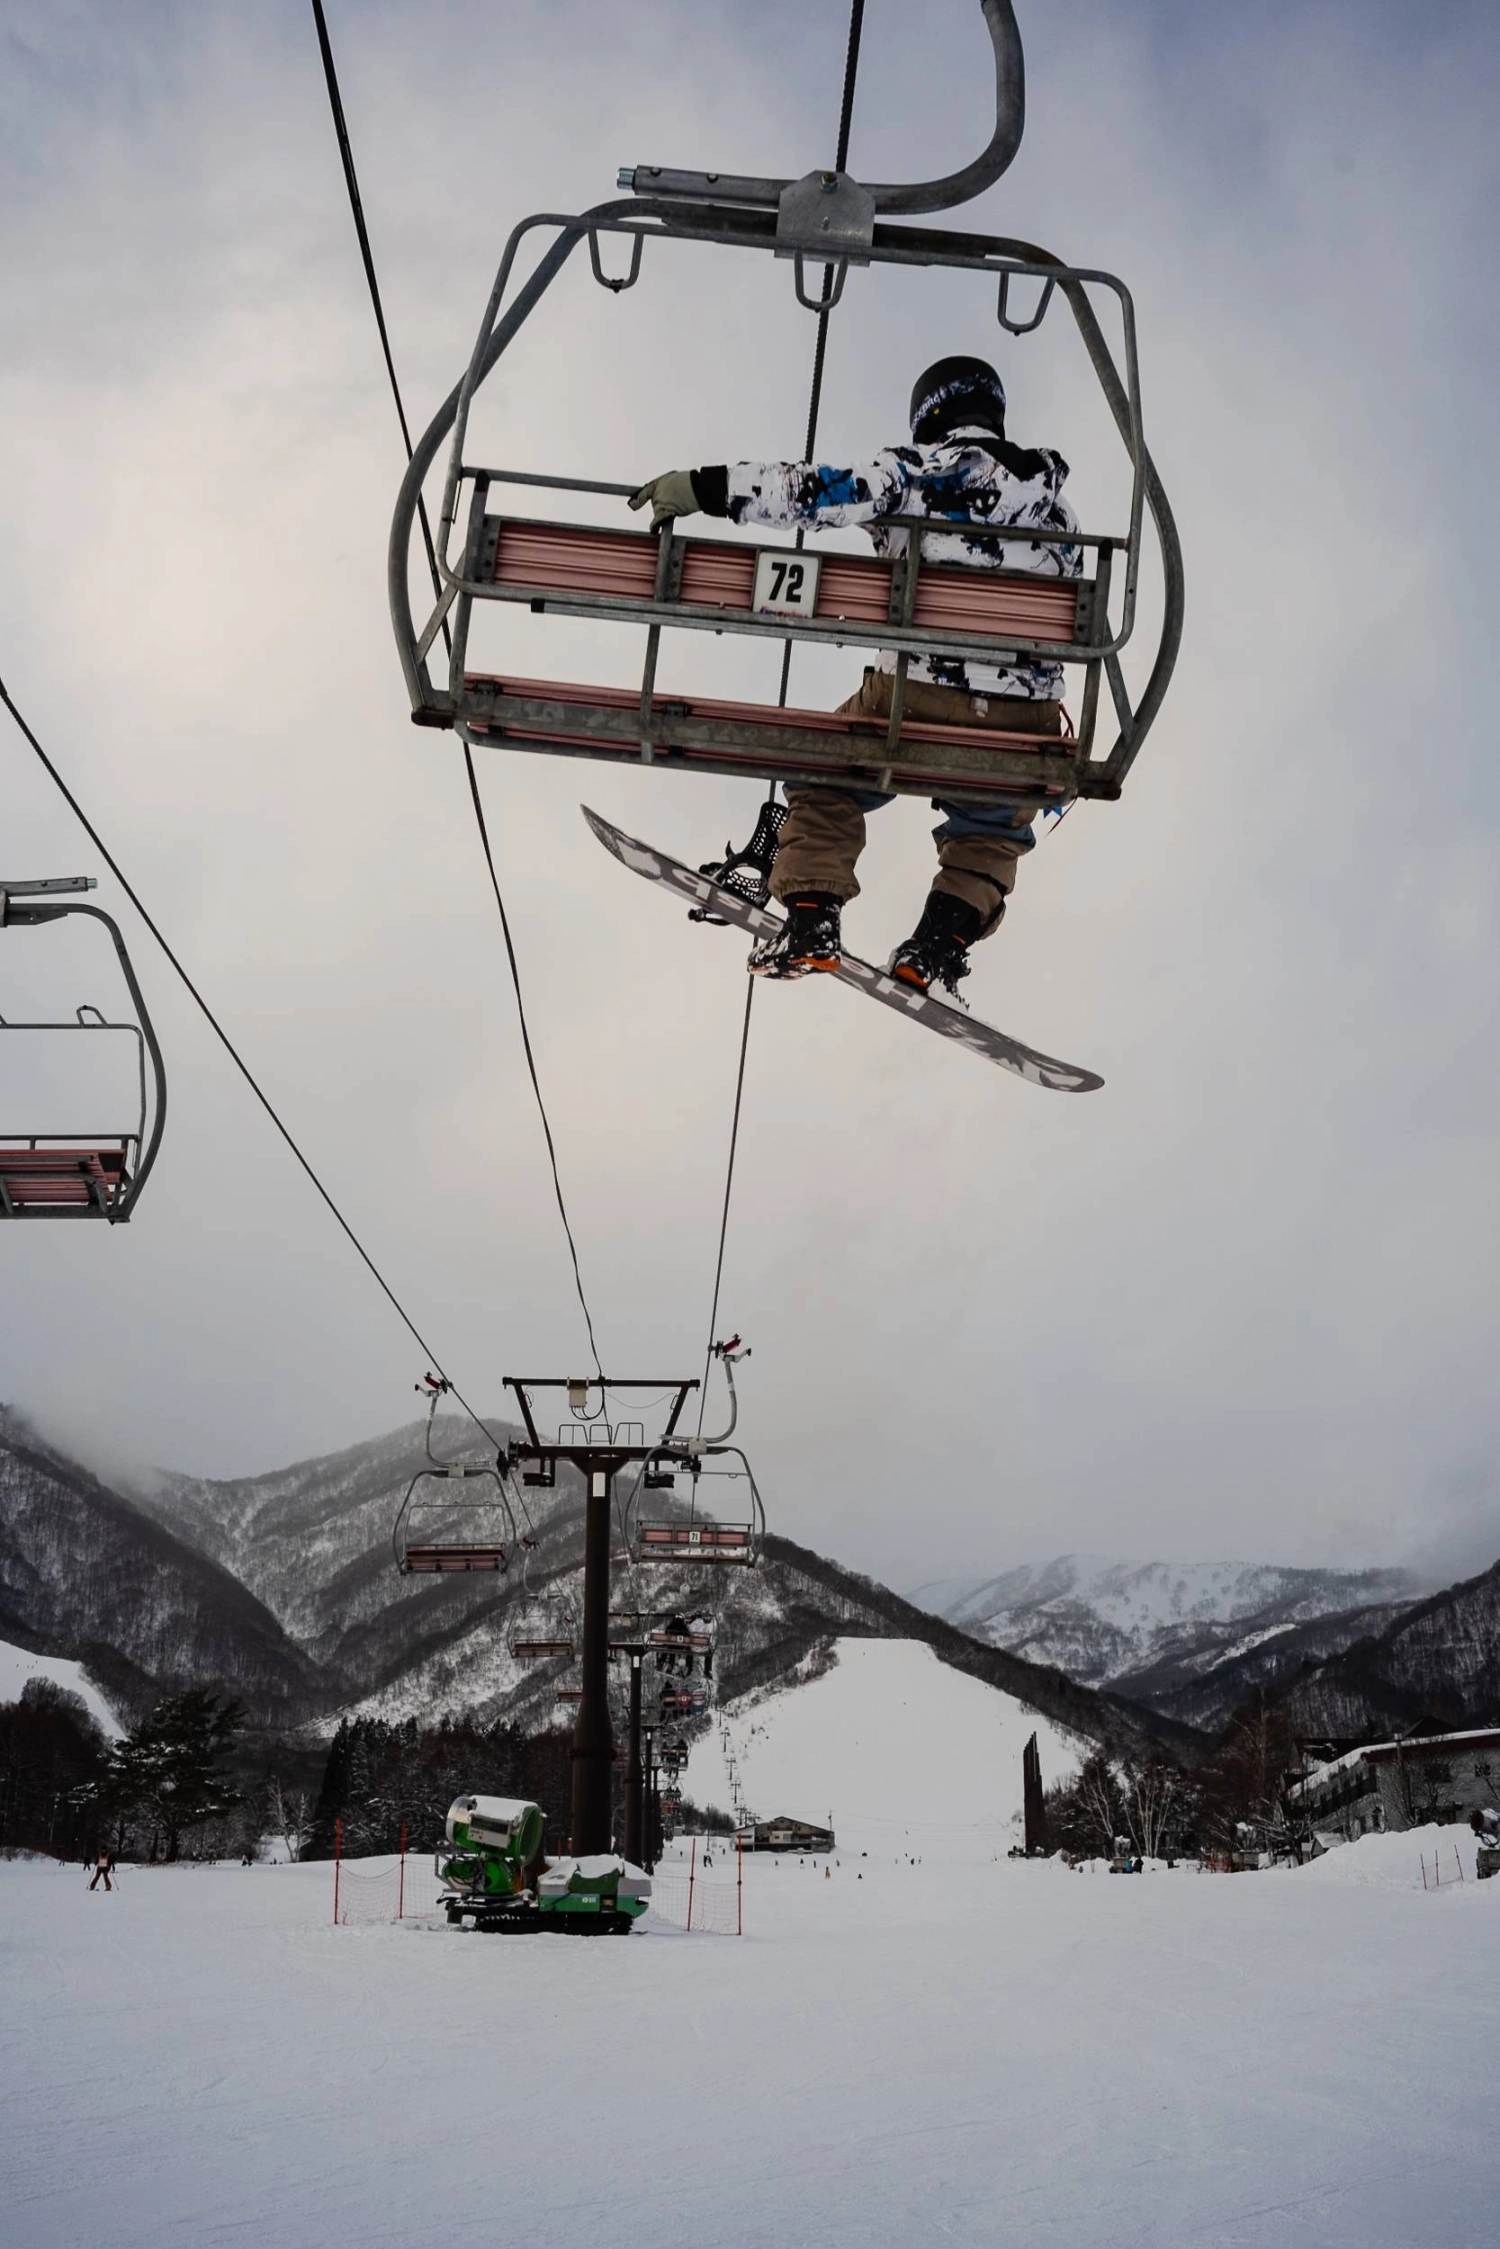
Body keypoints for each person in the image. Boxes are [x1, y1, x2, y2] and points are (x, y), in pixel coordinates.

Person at [630, 355, 1082, 995]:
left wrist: (704, 488)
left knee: (823, 775)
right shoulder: (1059, 515)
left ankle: (813, 915)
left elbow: (815, 492)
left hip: (917, 694)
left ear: (929, 418)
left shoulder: (915, 474)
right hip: (1024, 720)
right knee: (993, 826)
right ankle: (937, 944)